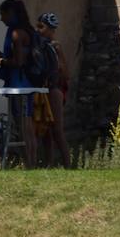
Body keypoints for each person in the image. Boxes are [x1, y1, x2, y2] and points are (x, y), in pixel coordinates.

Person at [0, 0, 36, 168]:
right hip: (26, 83)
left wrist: (2, 62)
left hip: (20, 84)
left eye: (3, 14)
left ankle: (30, 164)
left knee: (24, 125)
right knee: (27, 125)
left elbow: (18, 61)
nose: (1, 19)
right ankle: (30, 163)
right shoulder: (28, 31)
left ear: (11, 13)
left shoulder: (17, 33)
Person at [36, 12, 71, 168]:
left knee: (57, 130)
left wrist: (60, 53)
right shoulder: (39, 46)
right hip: (43, 90)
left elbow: (66, 74)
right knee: (46, 132)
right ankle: (49, 163)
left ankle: (67, 165)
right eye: (37, 26)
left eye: (41, 27)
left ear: (51, 29)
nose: (38, 30)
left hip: (54, 90)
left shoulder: (55, 48)